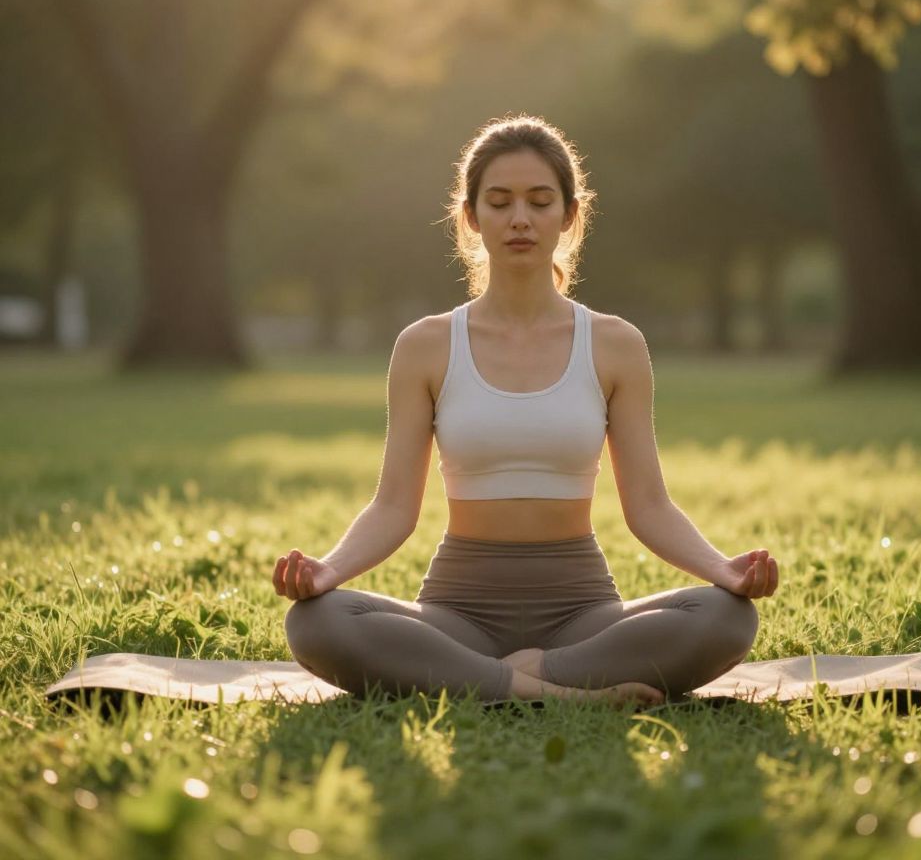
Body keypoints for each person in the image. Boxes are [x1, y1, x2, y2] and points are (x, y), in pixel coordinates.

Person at [275, 115, 779, 708]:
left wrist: (723, 570)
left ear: (568, 216)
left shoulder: (615, 344)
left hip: (582, 613)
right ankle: (558, 694)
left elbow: (649, 505)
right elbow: (392, 506)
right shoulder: (425, 345)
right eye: (500, 202)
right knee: (316, 622)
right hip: (456, 613)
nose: (520, 218)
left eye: (541, 202)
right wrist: (328, 572)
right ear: (471, 216)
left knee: (725, 617)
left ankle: (491, 679)